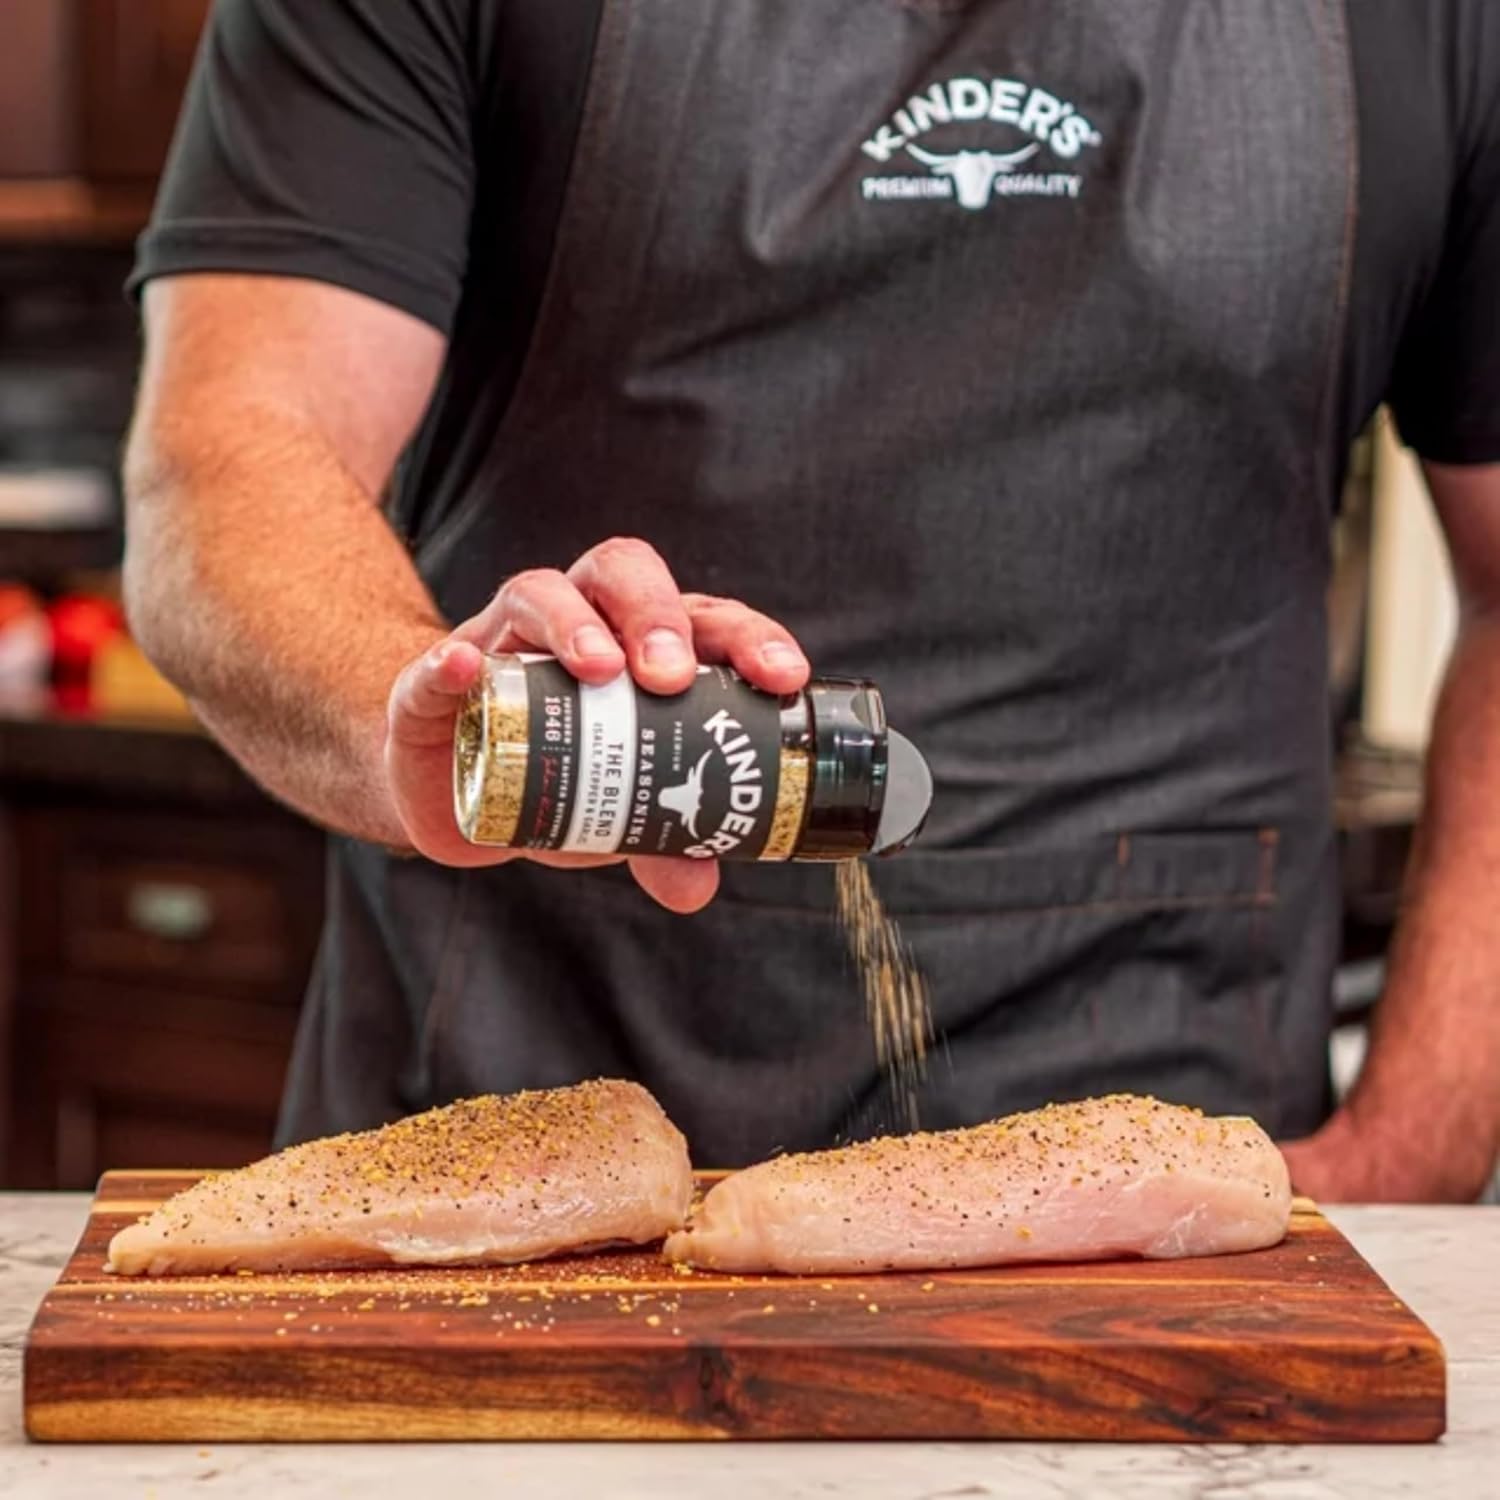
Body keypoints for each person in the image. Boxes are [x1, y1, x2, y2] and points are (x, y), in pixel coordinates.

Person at [121, 0, 1500, 1198]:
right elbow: (226, 454)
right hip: (523, 1146)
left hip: (1162, 1183)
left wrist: (1418, 1146)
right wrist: (409, 719)